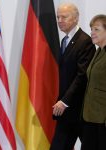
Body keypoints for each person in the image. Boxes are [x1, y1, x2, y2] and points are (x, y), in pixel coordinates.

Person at [50, 3, 96, 150]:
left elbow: (82, 76)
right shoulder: (65, 40)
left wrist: (64, 101)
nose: (60, 20)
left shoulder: (85, 41)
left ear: (76, 18)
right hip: (67, 112)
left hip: (78, 110)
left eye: (64, 16)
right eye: (58, 17)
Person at [81, 14, 106, 150]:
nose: (92, 33)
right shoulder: (98, 51)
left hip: (103, 120)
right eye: (91, 29)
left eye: (96, 29)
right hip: (91, 117)